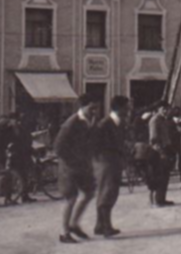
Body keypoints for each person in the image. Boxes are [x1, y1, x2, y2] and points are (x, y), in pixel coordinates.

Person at [54, 94, 100, 244]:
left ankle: (74, 224)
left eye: (96, 108)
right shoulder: (71, 123)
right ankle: (64, 232)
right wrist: (74, 161)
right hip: (69, 167)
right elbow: (58, 147)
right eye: (91, 108)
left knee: (89, 193)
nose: (95, 111)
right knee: (71, 198)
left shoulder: (90, 121)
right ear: (83, 106)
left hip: (83, 166)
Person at [93, 95, 130, 237]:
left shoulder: (118, 123)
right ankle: (106, 226)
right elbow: (96, 144)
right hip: (106, 163)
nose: (128, 110)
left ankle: (99, 225)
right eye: (126, 107)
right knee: (107, 193)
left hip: (113, 162)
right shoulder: (105, 124)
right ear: (119, 108)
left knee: (109, 192)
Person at [148, 104, 175, 207]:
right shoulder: (155, 120)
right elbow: (154, 139)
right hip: (157, 152)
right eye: (163, 109)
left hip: (165, 150)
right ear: (158, 109)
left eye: (167, 109)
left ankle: (162, 199)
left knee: (164, 176)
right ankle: (156, 200)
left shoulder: (163, 120)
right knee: (157, 176)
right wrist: (161, 153)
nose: (166, 111)